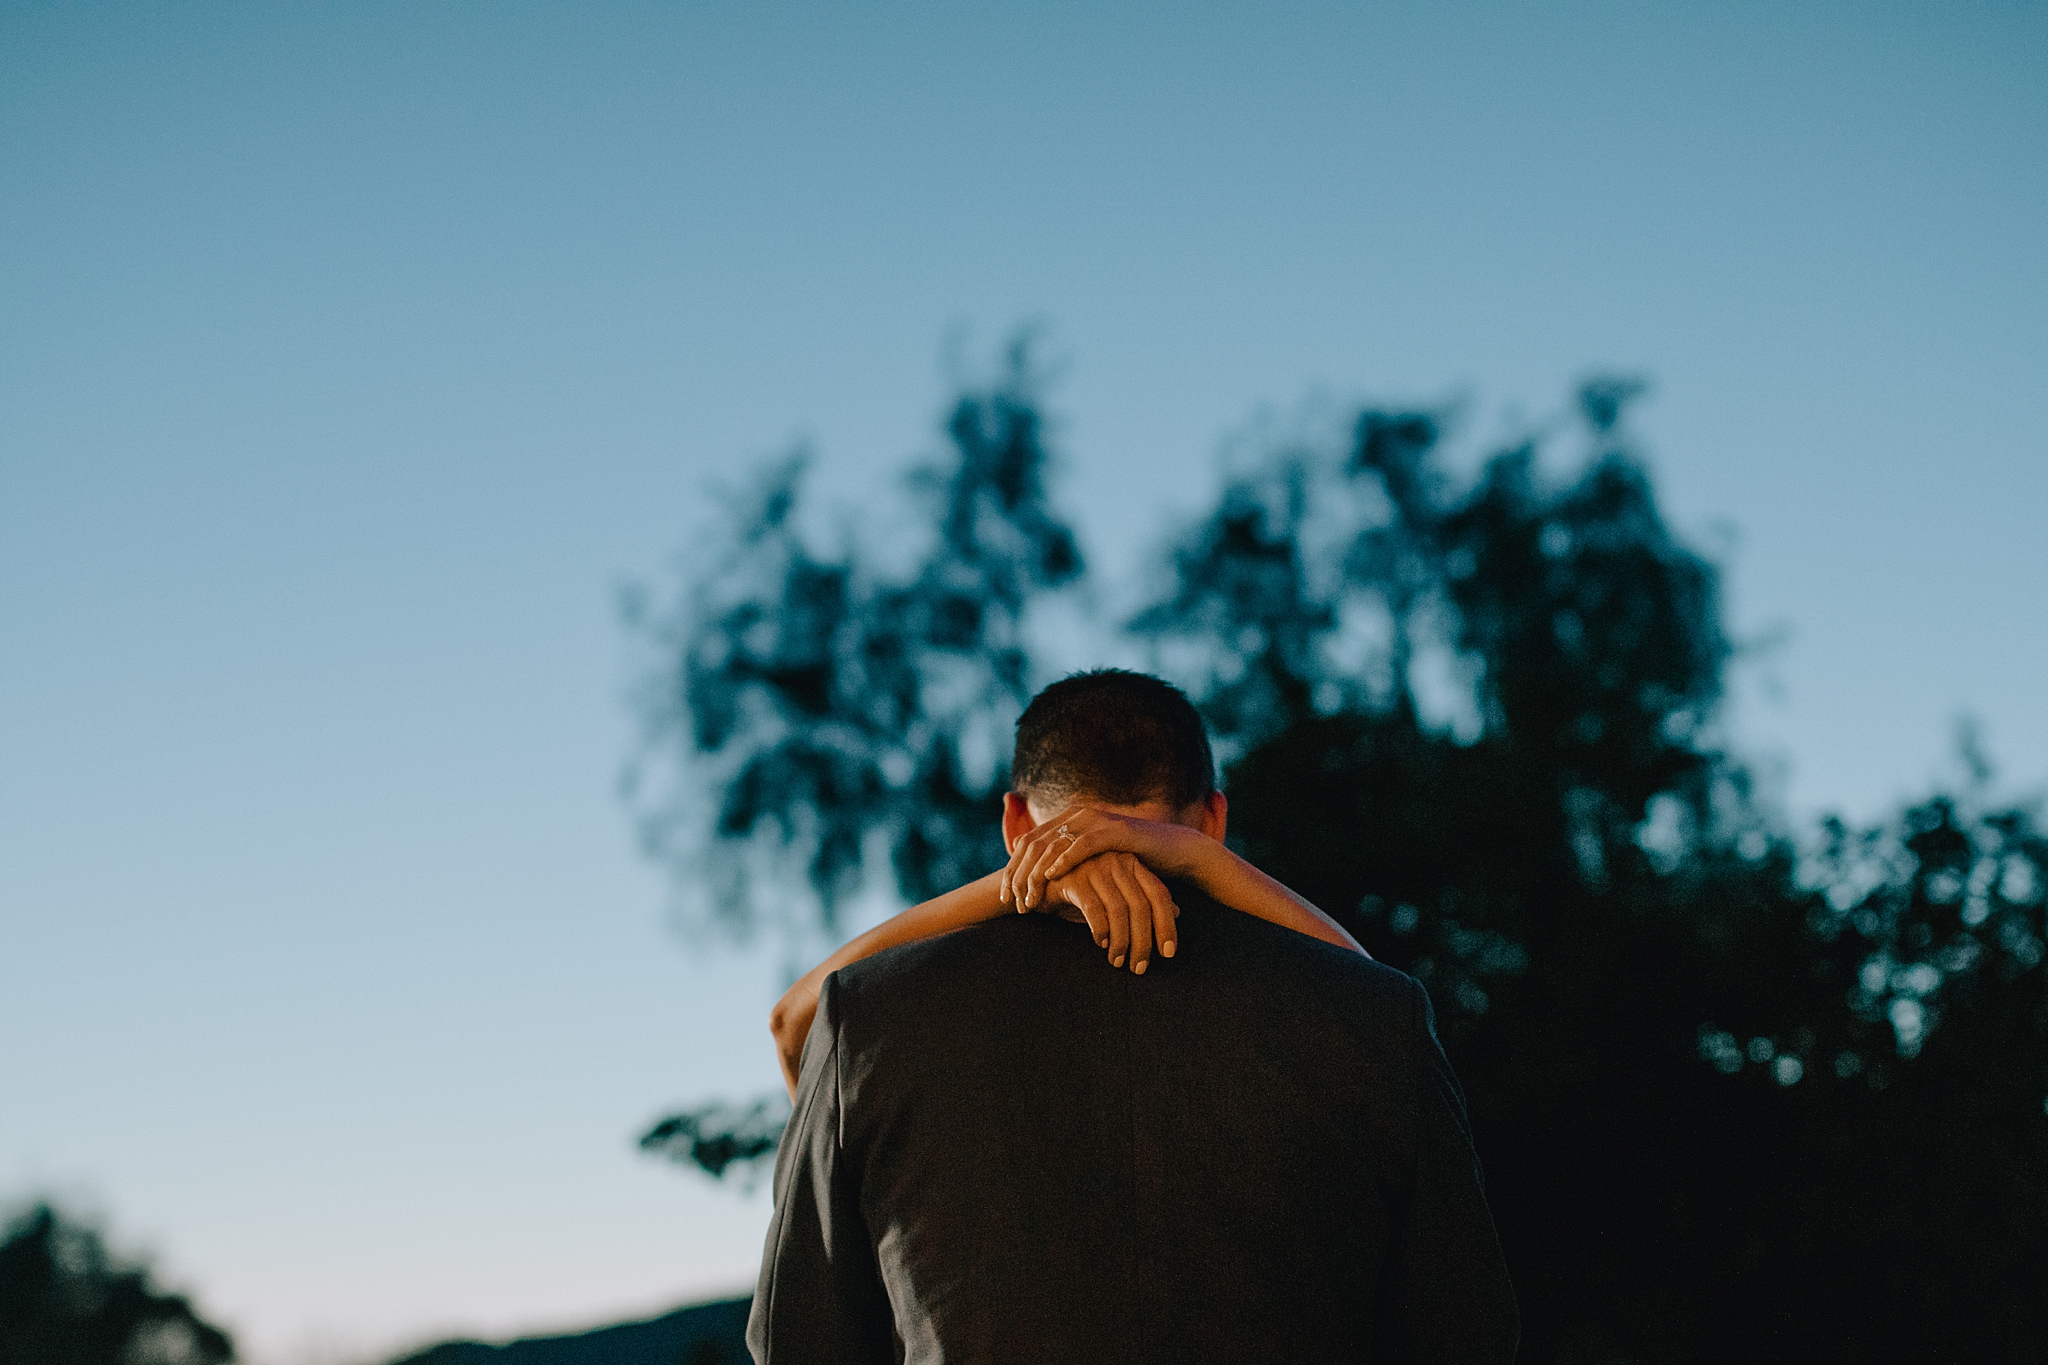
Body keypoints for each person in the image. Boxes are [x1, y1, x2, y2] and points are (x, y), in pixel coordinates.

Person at [749, 670, 1519, 1364]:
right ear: (1213, 817)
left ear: (1016, 820)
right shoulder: (1369, 1013)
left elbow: (799, 1341)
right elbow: (1468, 1334)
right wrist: (1199, 862)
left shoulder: (871, 1017)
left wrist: (1022, 880)